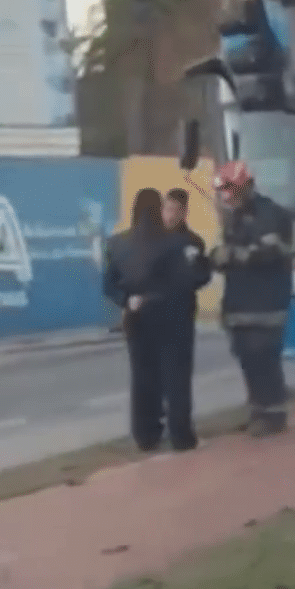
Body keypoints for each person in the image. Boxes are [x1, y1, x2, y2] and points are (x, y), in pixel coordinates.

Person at [104, 188, 201, 453]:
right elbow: (188, 280)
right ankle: (181, 434)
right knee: (176, 377)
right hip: (173, 316)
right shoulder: (176, 243)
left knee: (142, 376)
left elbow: (108, 285)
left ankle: (145, 434)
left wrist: (127, 300)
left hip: (137, 317)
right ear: (159, 209)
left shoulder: (117, 244)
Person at [209, 159, 293, 437]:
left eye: (230, 189)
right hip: (240, 302)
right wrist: (217, 258)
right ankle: (258, 410)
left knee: (264, 356)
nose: (226, 195)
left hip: (266, 302)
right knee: (247, 356)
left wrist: (233, 256)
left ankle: (274, 414)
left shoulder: (270, 214)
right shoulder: (235, 218)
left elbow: (270, 252)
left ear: (245, 186)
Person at [163, 186, 212, 444]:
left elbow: (202, 275)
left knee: (179, 375)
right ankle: (156, 427)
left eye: (173, 210)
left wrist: (186, 279)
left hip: (180, 314)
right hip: (153, 316)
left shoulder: (191, 242)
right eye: (166, 208)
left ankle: (181, 430)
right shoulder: (151, 240)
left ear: (183, 213)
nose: (168, 215)